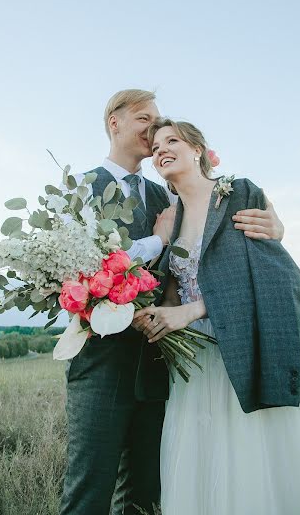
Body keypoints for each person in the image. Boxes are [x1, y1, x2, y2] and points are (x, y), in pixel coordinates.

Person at [133, 118, 300, 515]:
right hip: (195, 362)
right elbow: (173, 293)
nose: (161, 149)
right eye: (155, 147)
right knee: (205, 450)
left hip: (244, 344)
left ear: (197, 149)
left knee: (262, 447)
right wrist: (154, 314)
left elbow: (274, 273)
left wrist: (195, 309)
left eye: (172, 140)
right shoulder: (170, 217)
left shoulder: (238, 194)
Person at [58, 91, 285, 515]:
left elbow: (216, 238)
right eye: (144, 118)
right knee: (89, 488)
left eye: (160, 123)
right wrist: (157, 240)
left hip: (165, 363)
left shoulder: (168, 195)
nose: (154, 130)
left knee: (146, 490)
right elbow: (81, 267)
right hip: (102, 361)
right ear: (115, 122)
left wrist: (276, 224)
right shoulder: (79, 190)